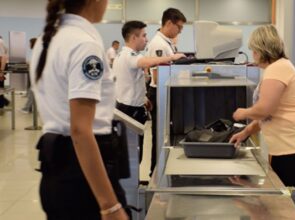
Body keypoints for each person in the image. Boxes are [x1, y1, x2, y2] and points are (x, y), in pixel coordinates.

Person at [29, 0, 129, 219]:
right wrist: (110, 206)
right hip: (83, 176)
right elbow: (80, 131)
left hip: (55, 169)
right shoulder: (84, 45)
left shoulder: (46, 42)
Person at [229, 25, 295, 220]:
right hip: (290, 147)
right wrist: (246, 131)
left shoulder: (277, 69)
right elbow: (270, 115)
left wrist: (242, 113)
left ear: (262, 49)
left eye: (254, 49)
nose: (253, 54)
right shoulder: (278, 68)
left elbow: (265, 109)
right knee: (290, 200)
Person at [114, 21, 184, 168]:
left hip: (128, 106)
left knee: (132, 153)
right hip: (130, 111)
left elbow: (130, 82)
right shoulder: (130, 55)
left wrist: (144, 98)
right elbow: (146, 62)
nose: (146, 39)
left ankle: (133, 185)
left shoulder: (122, 54)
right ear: (134, 37)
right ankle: (131, 188)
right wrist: (171, 57)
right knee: (132, 155)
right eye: (144, 35)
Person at [145, 7, 186, 177]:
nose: (180, 31)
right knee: (159, 135)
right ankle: (156, 172)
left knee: (165, 135)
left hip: (165, 92)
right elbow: (157, 74)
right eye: (179, 27)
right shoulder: (158, 44)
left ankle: (161, 170)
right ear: (169, 23)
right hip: (159, 93)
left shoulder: (166, 42)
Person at [21, 38, 37, 114]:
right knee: (31, 90)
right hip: (34, 73)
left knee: (32, 90)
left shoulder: (36, 52)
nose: (29, 45)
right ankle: (28, 108)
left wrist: (28, 63)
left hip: (36, 75)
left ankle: (27, 108)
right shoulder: (35, 52)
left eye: (30, 43)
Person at [0, 35, 10, 114]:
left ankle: (2, 105)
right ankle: (4, 103)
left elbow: (3, 57)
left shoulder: (0, 42)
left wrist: (1, 71)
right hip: (2, 66)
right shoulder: (2, 42)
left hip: (1, 66)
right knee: (0, 87)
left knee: (0, 87)